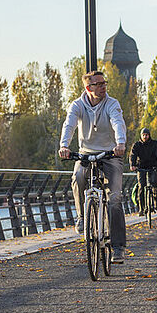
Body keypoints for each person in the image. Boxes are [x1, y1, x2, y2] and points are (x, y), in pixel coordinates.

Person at [58, 70, 128, 264]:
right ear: (89, 88)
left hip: (110, 154)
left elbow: (118, 123)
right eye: (98, 84)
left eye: (104, 83)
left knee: (114, 199)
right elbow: (69, 125)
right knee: (78, 176)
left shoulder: (112, 104)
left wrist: (120, 143)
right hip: (86, 153)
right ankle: (82, 216)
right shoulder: (77, 105)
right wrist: (64, 145)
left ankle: (117, 247)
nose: (103, 86)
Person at [130, 128, 157, 212]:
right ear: (141, 136)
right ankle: (141, 208)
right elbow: (133, 155)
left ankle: (156, 200)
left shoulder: (154, 144)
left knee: (154, 183)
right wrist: (132, 165)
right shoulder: (137, 145)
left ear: (149, 135)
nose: (145, 136)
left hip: (153, 166)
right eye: (143, 135)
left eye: (146, 135)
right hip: (141, 167)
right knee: (141, 186)